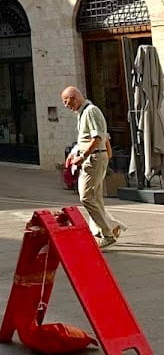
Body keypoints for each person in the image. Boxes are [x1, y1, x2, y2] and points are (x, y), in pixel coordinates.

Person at [61, 86, 126, 248]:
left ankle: (107, 233)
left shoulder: (90, 111)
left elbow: (98, 137)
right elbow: (91, 137)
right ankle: (109, 227)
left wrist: (83, 156)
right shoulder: (83, 113)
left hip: (94, 158)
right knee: (95, 198)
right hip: (95, 157)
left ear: (74, 97)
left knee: (86, 197)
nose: (65, 106)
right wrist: (75, 153)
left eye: (66, 101)